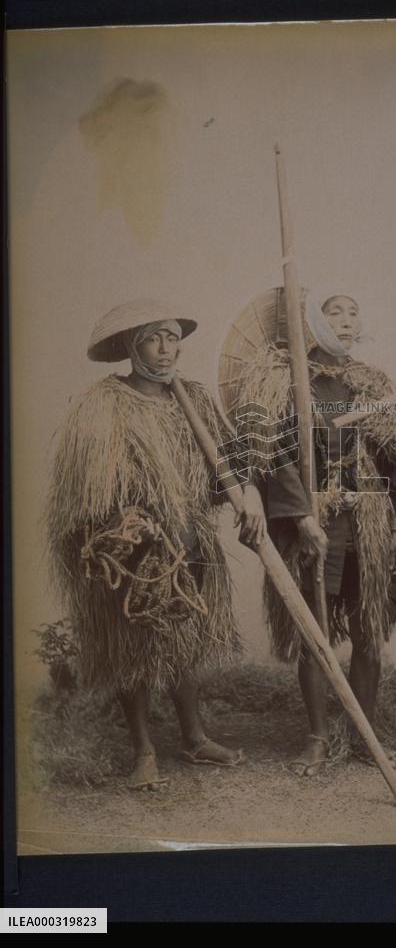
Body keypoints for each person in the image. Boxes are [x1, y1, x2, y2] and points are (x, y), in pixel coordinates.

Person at [47, 299, 262, 791]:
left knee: (182, 639)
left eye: (172, 336)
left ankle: (194, 737)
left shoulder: (196, 398)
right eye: (153, 337)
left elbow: (228, 465)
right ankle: (143, 748)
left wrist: (248, 494)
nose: (166, 348)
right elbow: (93, 490)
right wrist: (135, 529)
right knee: (134, 644)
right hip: (133, 551)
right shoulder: (104, 403)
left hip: (191, 541)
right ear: (130, 345)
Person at [236, 293, 396, 776]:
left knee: (368, 632)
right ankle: (318, 737)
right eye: (333, 312)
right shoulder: (283, 381)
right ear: (312, 323)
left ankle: (365, 734)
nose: (345, 321)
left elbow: (393, 463)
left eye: (353, 311)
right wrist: (302, 519)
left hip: (368, 524)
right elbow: (271, 455)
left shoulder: (371, 383)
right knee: (313, 634)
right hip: (312, 521)